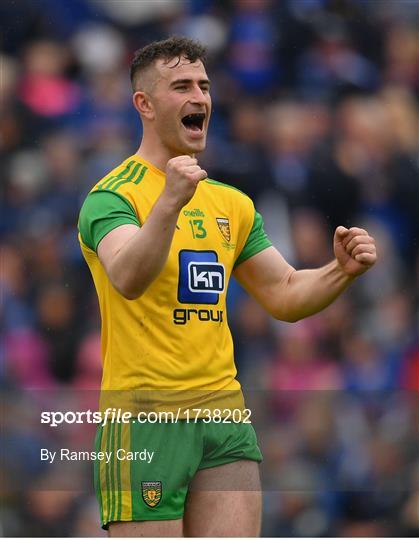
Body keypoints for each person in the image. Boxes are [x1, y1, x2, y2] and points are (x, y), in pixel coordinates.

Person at [78, 37, 377, 537]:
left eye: (204, 85)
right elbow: (129, 276)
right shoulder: (111, 196)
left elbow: (283, 292)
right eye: (181, 86)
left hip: (223, 412)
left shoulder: (231, 203)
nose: (200, 97)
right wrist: (171, 201)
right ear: (144, 105)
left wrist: (338, 272)